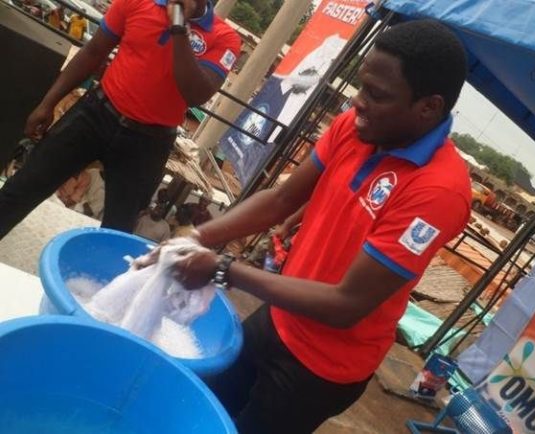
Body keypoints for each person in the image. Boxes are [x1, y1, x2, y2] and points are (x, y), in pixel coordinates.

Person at [163, 20, 473, 434]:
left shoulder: (439, 191)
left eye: (377, 96)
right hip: (278, 318)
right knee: (196, 408)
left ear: (428, 107)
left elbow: (346, 304)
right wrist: (199, 237)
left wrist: (223, 269)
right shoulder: (357, 127)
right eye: (361, 87)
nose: (358, 103)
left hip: (321, 368)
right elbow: (281, 199)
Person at [0, 0, 240, 240]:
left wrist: (178, 27)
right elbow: (93, 52)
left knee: (118, 232)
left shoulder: (223, 38)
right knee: (23, 187)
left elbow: (196, 94)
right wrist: (48, 103)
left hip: (148, 143)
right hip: (97, 114)